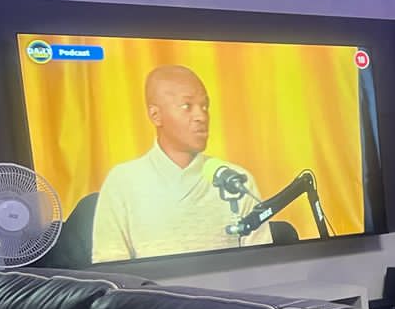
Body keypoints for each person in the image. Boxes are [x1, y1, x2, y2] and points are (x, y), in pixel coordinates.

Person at [91, 65, 273, 262]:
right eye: (187, 106)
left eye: (205, 107)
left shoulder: (236, 182)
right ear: (155, 115)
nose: (201, 116)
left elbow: (262, 266)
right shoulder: (123, 182)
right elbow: (110, 268)